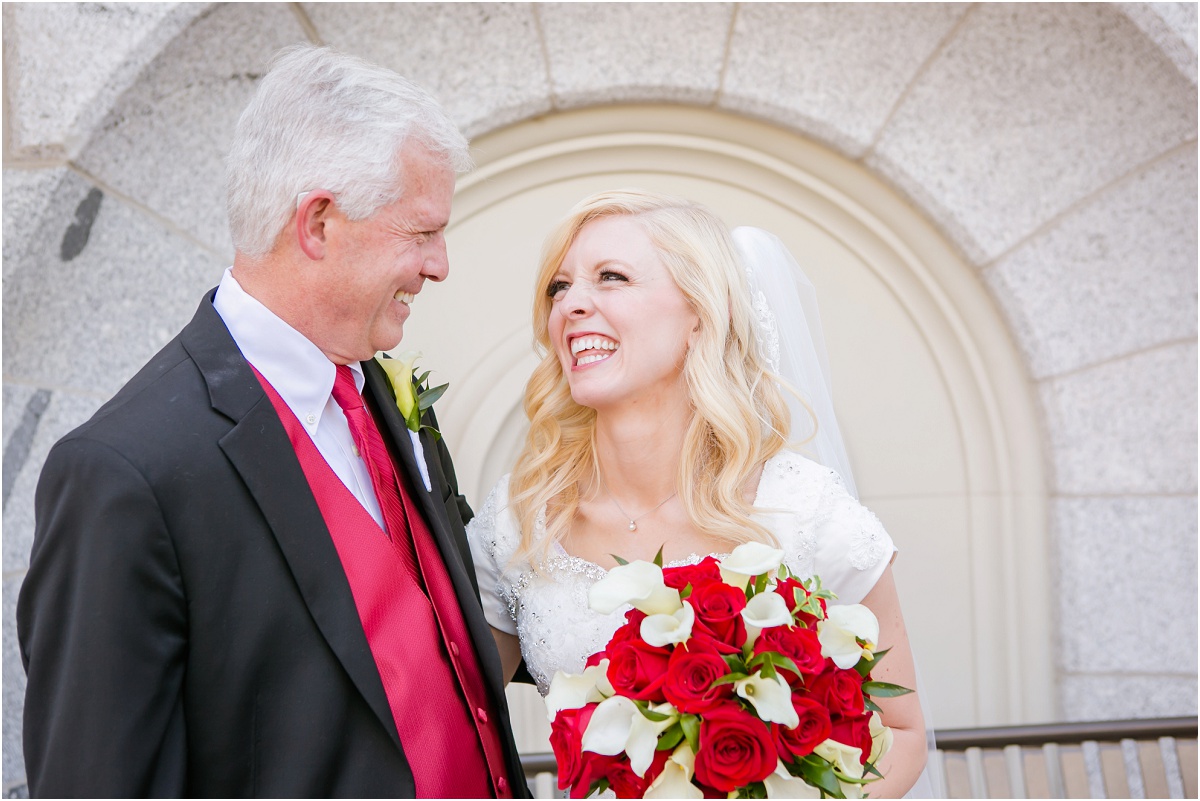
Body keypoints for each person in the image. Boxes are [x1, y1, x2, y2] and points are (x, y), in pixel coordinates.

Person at [18, 44, 527, 798]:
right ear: (318, 223)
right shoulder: (125, 472)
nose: (440, 264)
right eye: (421, 233)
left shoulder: (380, 394)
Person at [469, 189, 929, 797]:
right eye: (559, 287)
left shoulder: (802, 510)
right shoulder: (521, 519)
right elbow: (455, 721)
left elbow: (902, 730)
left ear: (700, 315)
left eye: (611, 277)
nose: (573, 305)